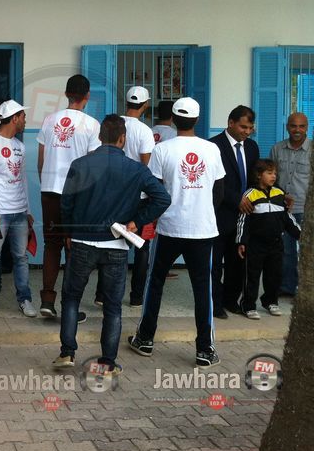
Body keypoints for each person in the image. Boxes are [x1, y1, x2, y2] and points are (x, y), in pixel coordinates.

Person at [53, 115, 170, 371]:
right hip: (116, 244)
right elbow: (162, 198)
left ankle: (67, 353)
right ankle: (107, 362)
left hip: (82, 240)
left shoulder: (80, 164)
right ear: (123, 138)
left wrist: (69, 233)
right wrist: (137, 221)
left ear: (99, 137)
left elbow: (66, 203)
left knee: (71, 298)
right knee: (113, 307)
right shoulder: (136, 169)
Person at [129, 97, 226, 368]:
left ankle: (145, 338)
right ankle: (204, 349)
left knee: (155, 282)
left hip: (170, 227)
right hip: (202, 230)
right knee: (202, 288)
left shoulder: (162, 149)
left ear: (172, 119)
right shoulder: (211, 149)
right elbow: (219, 192)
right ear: (197, 120)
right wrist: (201, 210)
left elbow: (154, 190)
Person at [36, 75, 101, 318]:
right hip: (77, 195)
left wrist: (47, 183)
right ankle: (69, 308)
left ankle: (47, 300)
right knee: (75, 248)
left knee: (52, 245)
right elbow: (92, 166)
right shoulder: (92, 125)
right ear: (87, 96)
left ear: (66, 94)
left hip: (50, 191)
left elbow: (41, 160)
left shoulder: (49, 120)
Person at [0, 100, 36, 317]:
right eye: (23, 117)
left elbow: (23, 179)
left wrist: (28, 210)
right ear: (14, 118)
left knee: (21, 257)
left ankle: (25, 299)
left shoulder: (20, 146)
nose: (25, 121)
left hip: (19, 213)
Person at [209, 106, 259, 319]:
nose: (247, 132)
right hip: (220, 214)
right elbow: (212, 182)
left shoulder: (252, 147)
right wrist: (236, 199)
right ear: (231, 123)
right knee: (215, 263)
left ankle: (231, 300)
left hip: (244, 217)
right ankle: (215, 303)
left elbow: (256, 178)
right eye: (243, 127)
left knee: (237, 262)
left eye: (250, 128)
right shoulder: (213, 146)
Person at [236, 159, 300, 319]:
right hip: (255, 244)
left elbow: (288, 218)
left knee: (274, 275)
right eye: (269, 173)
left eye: (275, 173)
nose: (273, 176)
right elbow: (243, 220)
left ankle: (271, 301)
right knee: (252, 276)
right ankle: (248, 305)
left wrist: (301, 235)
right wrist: (241, 241)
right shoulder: (250, 194)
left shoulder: (279, 194)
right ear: (259, 175)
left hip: (276, 244)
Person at [117, 86, 156, 307]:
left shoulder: (115, 125)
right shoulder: (144, 131)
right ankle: (136, 296)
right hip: (139, 196)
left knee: (114, 244)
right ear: (145, 105)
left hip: (116, 194)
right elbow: (146, 165)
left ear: (126, 102)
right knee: (142, 247)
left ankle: (105, 294)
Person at [270, 112, 310, 296]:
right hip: (284, 209)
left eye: (301, 126)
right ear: (287, 127)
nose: (297, 130)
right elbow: (270, 178)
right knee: (286, 250)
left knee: (308, 252)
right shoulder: (277, 149)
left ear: (307, 128)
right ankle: (287, 287)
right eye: (293, 125)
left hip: (308, 210)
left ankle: (306, 290)